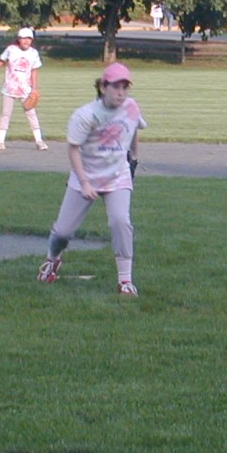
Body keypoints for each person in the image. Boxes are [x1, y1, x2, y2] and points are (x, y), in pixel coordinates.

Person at [37, 62, 147, 296]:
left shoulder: (131, 108)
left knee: (120, 221)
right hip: (85, 176)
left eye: (125, 87)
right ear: (103, 87)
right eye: (116, 86)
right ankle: (52, 259)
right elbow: (73, 148)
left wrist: (135, 157)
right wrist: (85, 182)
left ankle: (125, 280)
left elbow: (134, 128)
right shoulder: (86, 115)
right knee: (63, 232)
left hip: (117, 176)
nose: (121, 92)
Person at [0, 27, 47, 150]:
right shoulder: (11, 49)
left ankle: (39, 141)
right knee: (5, 114)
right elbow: (1, 61)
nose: (26, 41)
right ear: (19, 39)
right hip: (9, 88)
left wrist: (34, 88)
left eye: (29, 38)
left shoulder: (33, 53)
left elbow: (34, 71)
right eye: (23, 38)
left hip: (25, 89)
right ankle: (0, 141)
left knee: (31, 114)